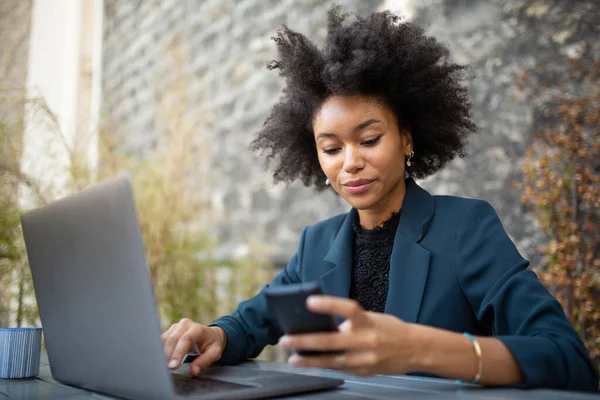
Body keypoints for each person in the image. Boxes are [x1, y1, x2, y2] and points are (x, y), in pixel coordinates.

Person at [161, 7, 599, 392]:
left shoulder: (465, 227)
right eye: (331, 148)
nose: (350, 162)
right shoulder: (316, 244)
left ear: (407, 139)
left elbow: (566, 359)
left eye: (369, 139)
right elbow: (250, 322)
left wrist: (421, 348)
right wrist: (216, 335)